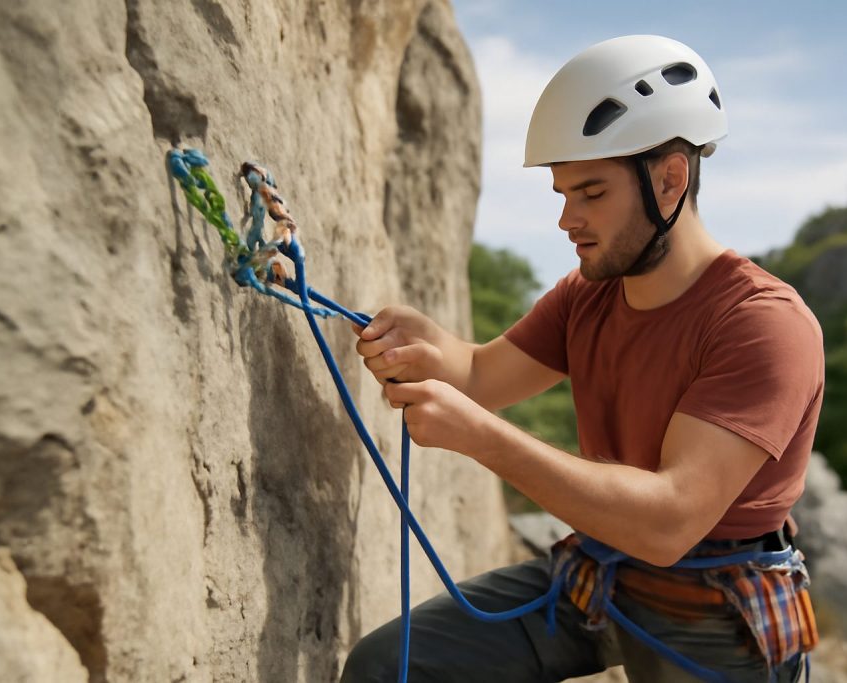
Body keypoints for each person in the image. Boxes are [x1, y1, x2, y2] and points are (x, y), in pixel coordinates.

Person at [341, 35, 822, 683]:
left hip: (713, 608)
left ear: (670, 179)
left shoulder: (762, 324)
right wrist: (430, 347)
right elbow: (481, 375)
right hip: (602, 568)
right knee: (389, 667)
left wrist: (483, 439)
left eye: (592, 193)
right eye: (563, 192)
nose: (569, 218)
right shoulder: (588, 294)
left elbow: (669, 521)